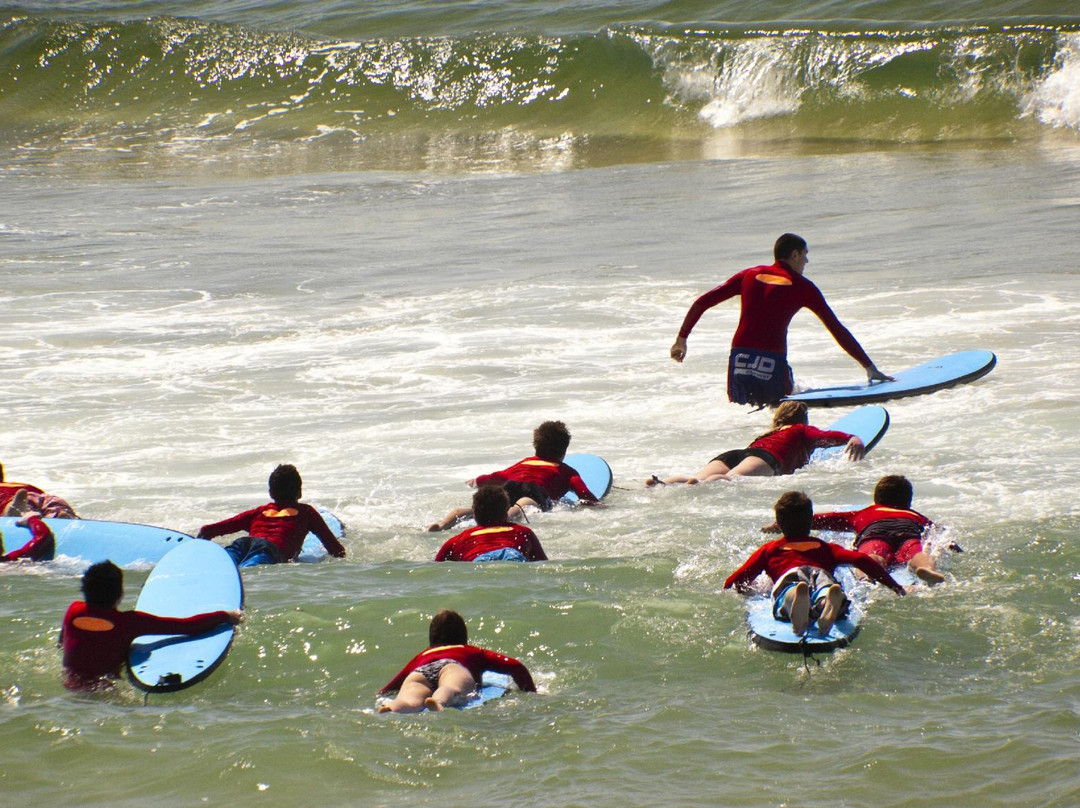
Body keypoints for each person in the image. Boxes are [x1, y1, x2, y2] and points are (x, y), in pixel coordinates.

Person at [669, 233, 891, 408]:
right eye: (804, 254)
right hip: (771, 361)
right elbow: (836, 329)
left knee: (742, 414)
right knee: (780, 413)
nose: (807, 260)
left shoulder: (749, 274)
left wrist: (682, 339)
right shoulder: (804, 287)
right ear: (794, 254)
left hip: (739, 358)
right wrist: (869, 367)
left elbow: (702, 302)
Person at [724, 491, 905, 636]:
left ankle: (795, 595)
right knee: (825, 588)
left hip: (790, 574)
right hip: (821, 573)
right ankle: (828, 598)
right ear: (811, 521)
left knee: (787, 591)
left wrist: (742, 589)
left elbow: (739, 578)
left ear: (779, 523)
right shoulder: (826, 547)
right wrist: (894, 586)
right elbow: (861, 560)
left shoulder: (770, 549)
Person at [59, 560, 242, 691]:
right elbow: (187, 627)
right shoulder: (130, 622)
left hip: (69, 684)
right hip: (104, 691)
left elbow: (62, 641)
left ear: (85, 589)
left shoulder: (73, 610)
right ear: (120, 593)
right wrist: (225, 615)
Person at [426, 420, 599, 532]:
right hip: (534, 491)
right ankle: (507, 516)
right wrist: (596, 505)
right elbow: (585, 496)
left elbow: (497, 476)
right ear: (564, 451)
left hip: (509, 486)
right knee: (524, 504)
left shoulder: (524, 463)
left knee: (474, 511)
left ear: (535, 446)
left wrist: (477, 480)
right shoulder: (566, 471)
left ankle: (442, 523)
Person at [646, 401, 864, 486]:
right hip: (765, 458)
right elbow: (826, 434)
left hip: (739, 452)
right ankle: (700, 484)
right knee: (730, 480)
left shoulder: (769, 432)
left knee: (696, 476)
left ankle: (660, 483)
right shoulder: (802, 430)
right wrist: (851, 438)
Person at [377, 609, 536, 712]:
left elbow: (391, 687)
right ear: (463, 636)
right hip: (452, 667)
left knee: (409, 696)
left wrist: (382, 693)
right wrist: (531, 692)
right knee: (450, 687)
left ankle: (394, 707)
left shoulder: (421, 655)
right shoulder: (470, 651)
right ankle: (438, 702)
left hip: (420, 672)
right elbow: (515, 666)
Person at [795, 475, 944, 585]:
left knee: (873, 555)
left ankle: (866, 577)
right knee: (916, 553)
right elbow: (940, 533)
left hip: (875, 531)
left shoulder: (865, 513)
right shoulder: (916, 515)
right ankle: (925, 567)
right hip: (908, 528)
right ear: (908, 502)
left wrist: (779, 523)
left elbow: (820, 519)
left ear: (876, 499)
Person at [197, 464, 346, 565]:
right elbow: (336, 549)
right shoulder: (306, 512)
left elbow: (207, 530)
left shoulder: (258, 512)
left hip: (243, 543)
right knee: (248, 572)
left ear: (270, 493)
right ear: (299, 492)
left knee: (223, 567)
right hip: (269, 550)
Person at [435, 486, 548, 562]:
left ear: (474, 515)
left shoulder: (457, 540)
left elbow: (436, 569)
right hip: (512, 560)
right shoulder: (523, 532)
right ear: (506, 513)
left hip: (478, 565)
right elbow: (542, 563)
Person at [0, 462, 78, 519]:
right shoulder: (15, 485)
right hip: (43, 497)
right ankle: (61, 514)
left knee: (18, 507)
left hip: (15, 500)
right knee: (55, 508)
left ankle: (15, 514)